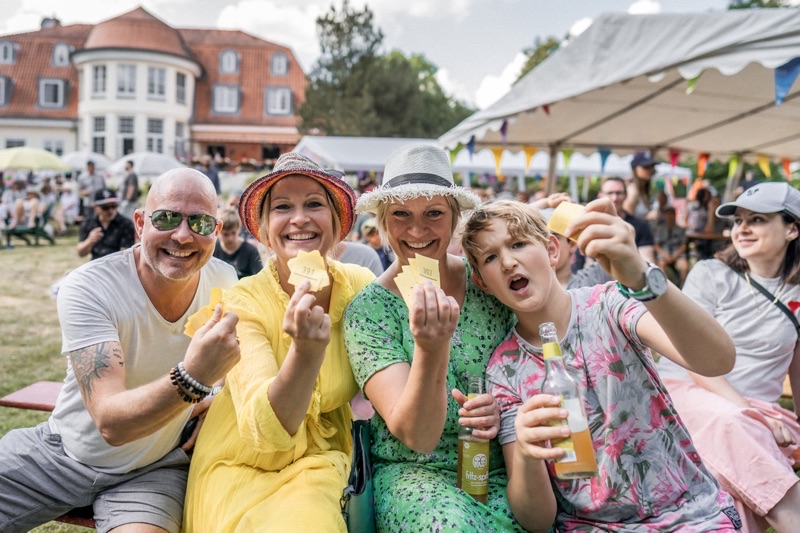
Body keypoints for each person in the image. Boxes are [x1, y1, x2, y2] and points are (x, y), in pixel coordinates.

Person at [459, 199, 741, 532]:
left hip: (692, 516)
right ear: (483, 283)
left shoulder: (610, 303)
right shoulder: (503, 370)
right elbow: (537, 520)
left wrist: (641, 276)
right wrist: (524, 451)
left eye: (518, 244)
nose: (507, 262)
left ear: (552, 249)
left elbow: (716, 360)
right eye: (490, 257)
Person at [0, 168, 240, 531]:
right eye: (167, 218)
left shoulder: (223, 280)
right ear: (141, 223)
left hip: (152, 470)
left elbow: (233, 370)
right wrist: (194, 380)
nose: (183, 235)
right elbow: (111, 424)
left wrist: (214, 399)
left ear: (216, 233)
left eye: (201, 224)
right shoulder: (89, 286)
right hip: (61, 453)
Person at [183, 153, 375, 532]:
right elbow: (264, 430)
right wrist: (305, 353)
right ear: (266, 230)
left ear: (336, 224)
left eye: (314, 204)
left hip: (322, 463)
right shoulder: (242, 302)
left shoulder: (360, 286)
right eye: (283, 207)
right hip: (242, 466)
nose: (299, 218)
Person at [343, 144, 524, 532]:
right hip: (416, 478)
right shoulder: (369, 311)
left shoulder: (487, 283)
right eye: (401, 215)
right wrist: (431, 347)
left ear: (455, 218)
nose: (417, 230)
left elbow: (537, 359)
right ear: (381, 222)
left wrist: (505, 410)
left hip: (500, 466)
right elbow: (417, 436)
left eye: (434, 214)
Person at [656, 182, 800, 533]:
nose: (742, 229)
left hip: (757, 415)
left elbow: (798, 369)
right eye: (738, 221)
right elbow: (696, 359)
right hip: (686, 391)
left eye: (757, 219)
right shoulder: (711, 274)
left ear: (792, 228)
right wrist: (746, 411)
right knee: (735, 427)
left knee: (728, 482)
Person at [598, 176, 656, 263]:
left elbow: (648, 261)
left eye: (618, 193)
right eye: (610, 193)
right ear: (600, 195)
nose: (615, 198)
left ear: (626, 195)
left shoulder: (641, 226)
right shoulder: (592, 222)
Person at [76, 188, 136, 260]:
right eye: (105, 208)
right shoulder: (88, 223)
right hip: (95, 264)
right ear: (95, 208)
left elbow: (126, 254)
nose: (110, 211)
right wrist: (89, 241)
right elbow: (81, 253)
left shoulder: (125, 223)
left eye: (113, 206)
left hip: (117, 264)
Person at [212, 208, 263, 278]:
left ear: (239, 229)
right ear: (218, 231)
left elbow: (258, 277)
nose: (230, 238)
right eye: (225, 234)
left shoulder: (250, 250)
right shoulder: (213, 249)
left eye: (233, 233)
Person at [653, 205, 690, 286]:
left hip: (678, 254)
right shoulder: (660, 229)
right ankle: (665, 287)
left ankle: (682, 287)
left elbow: (683, 246)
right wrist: (666, 255)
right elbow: (657, 246)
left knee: (684, 267)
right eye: (667, 215)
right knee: (661, 267)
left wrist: (674, 256)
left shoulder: (680, 229)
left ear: (675, 215)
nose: (669, 217)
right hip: (664, 254)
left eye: (671, 214)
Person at [623, 150, 659, 220]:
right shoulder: (632, 191)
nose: (650, 170)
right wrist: (647, 217)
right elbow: (627, 220)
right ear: (635, 169)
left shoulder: (643, 190)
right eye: (646, 167)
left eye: (652, 166)